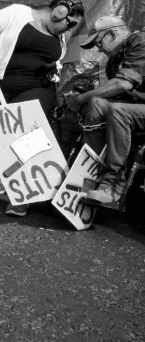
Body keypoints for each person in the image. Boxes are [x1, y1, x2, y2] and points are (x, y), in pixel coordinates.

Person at [0, 0, 84, 217]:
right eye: (69, 24)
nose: (69, 30)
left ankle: (22, 196)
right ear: (58, 12)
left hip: (36, 87)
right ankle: (2, 175)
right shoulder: (19, 13)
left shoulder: (59, 37)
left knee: (25, 130)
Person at [65, 16, 145, 204]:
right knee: (96, 103)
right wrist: (86, 99)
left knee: (118, 111)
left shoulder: (141, 42)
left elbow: (123, 84)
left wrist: (82, 98)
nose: (99, 49)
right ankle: (91, 173)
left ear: (112, 33)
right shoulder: (115, 61)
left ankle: (113, 183)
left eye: (99, 42)